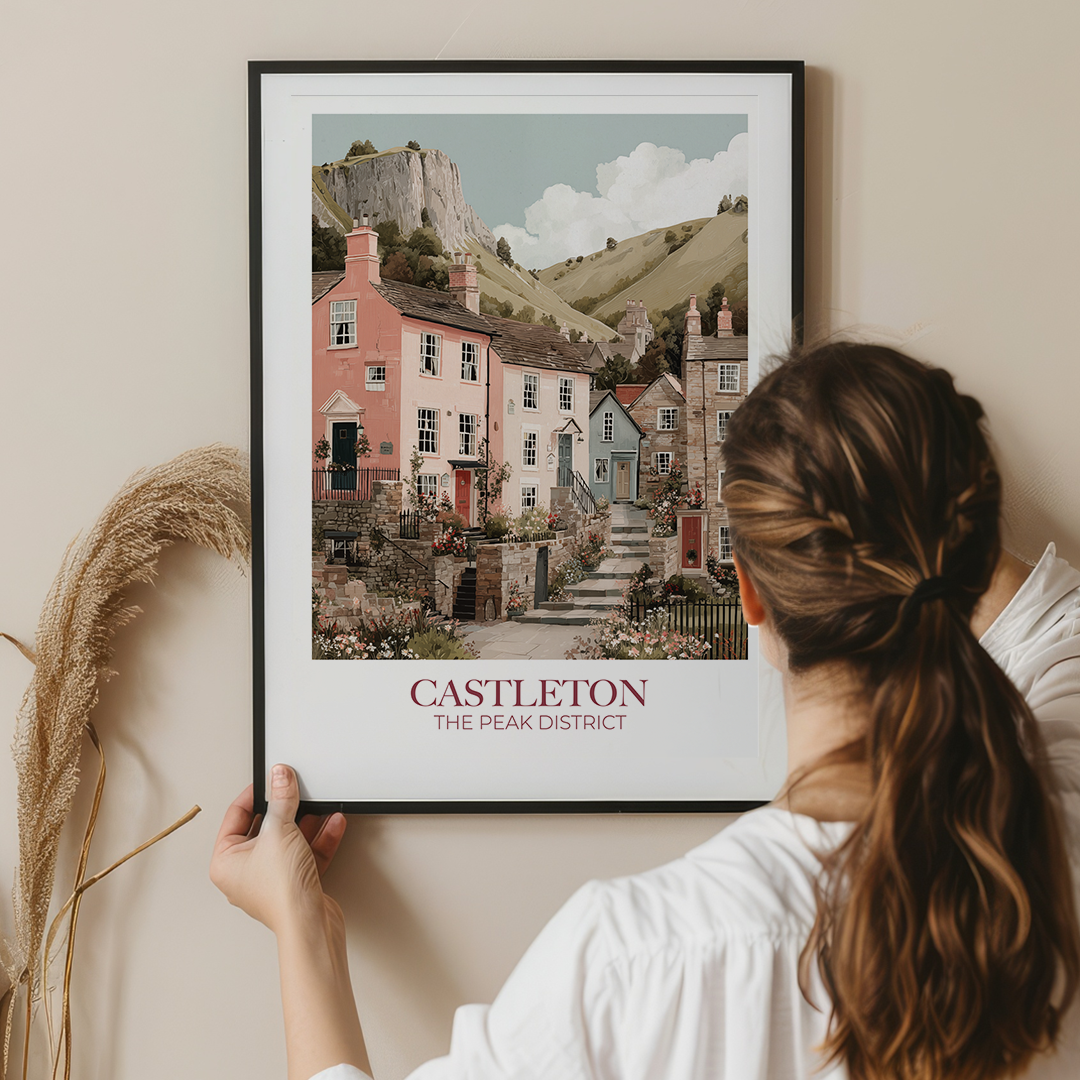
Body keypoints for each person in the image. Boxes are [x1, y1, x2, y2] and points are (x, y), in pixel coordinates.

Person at [211, 342, 1080, 1080]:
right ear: (962, 552)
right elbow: (1043, 609)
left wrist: (302, 923)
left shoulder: (644, 962)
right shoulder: (1052, 823)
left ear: (748, 595)